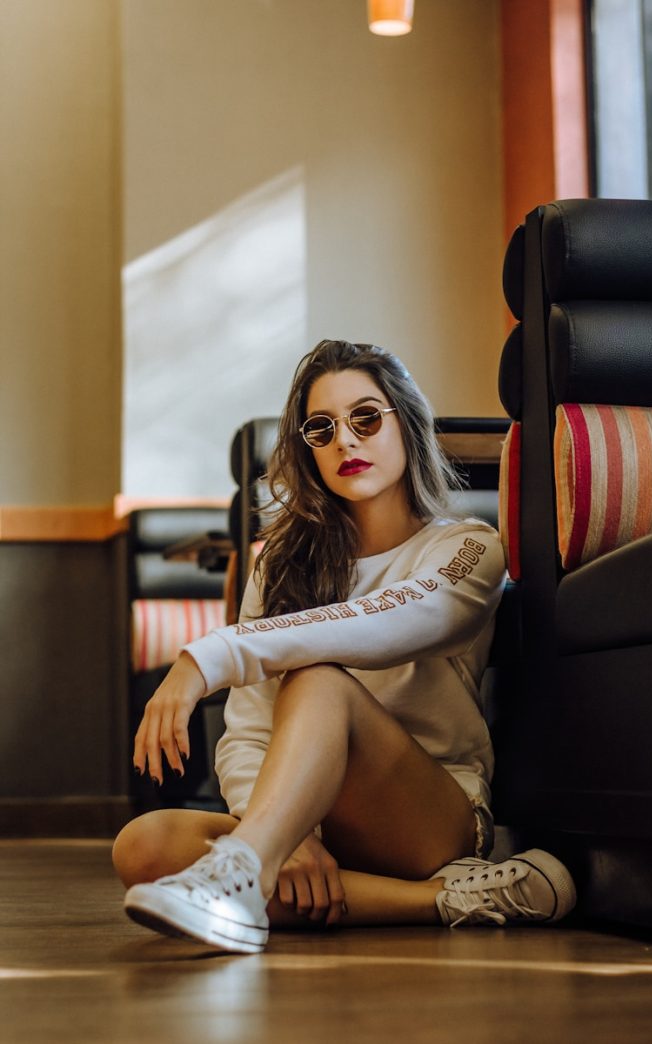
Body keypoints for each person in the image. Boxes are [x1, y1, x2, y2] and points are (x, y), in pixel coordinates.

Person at [113, 339, 576, 953]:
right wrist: (279, 830)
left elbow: (387, 623)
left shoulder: (467, 547)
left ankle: (250, 871)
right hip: (316, 819)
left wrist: (211, 655)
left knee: (318, 679)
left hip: (429, 818)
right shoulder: (280, 566)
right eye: (321, 428)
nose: (345, 442)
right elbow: (248, 733)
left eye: (365, 417)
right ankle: (452, 898)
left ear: (405, 425)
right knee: (143, 846)